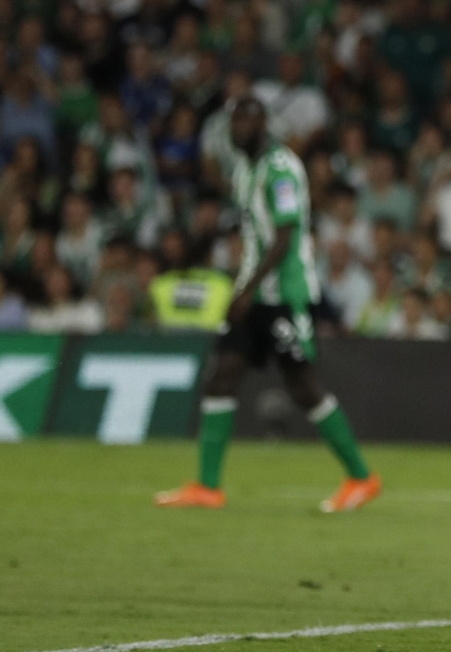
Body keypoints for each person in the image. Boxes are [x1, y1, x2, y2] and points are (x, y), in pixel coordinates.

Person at [155, 98, 381, 512]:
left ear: (263, 126)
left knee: (302, 385)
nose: (238, 129)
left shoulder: (281, 169)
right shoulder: (244, 170)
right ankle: (208, 487)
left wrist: (245, 291)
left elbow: (284, 235)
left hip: (285, 294)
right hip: (253, 293)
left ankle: (362, 478)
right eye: (234, 123)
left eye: (246, 121)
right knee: (222, 376)